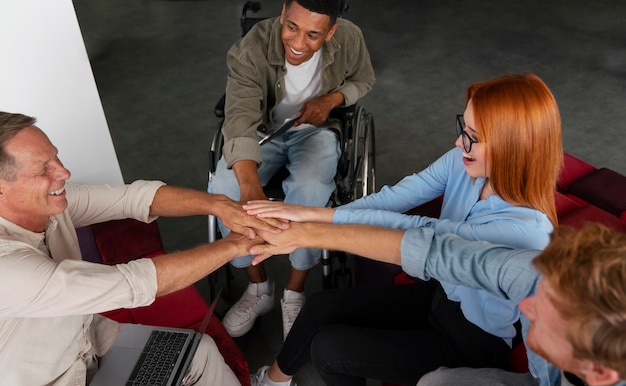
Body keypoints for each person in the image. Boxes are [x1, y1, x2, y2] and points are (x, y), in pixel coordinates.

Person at [243, 73, 563, 385]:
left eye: (473, 136)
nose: (458, 141)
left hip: (473, 341)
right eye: (463, 127)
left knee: (329, 349)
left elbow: (421, 231)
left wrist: (310, 222)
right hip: (437, 296)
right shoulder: (463, 160)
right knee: (319, 307)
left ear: (512, 147)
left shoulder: (528, 230)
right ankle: (274, 382)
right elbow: (394, 199)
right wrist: (313, 215)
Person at [0, 111, 285, 385]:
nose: (64, 172)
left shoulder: (49, 202)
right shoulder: (6, 268)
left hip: (88, 341)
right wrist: (235, 244)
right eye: (43, 169)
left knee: (200, 353)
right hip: (50, 379)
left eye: (56, 157)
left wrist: (221, 205)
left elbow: (133, 198)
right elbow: (133, 283)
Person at [250, 222, 626, 386]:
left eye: (545, 315)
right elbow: (433, 252)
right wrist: (309, 232)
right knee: (436, 382)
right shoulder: (531, 277)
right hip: (535, 378)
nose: (525, 309)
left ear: (599, 372)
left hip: (472, 342)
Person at [207, 0, 375, 340]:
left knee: (312, 189)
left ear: (331, 31)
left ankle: (295, 290)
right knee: (225, 187)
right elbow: (238, 119)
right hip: (260, 131)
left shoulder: (351, 39)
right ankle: (259, 289)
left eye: (314, 35)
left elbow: (364, 80)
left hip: (317, 130)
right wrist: (250, 187)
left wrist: (331, 100)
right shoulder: (251, 47)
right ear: (283, 14)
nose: (299, 43)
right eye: (292, 27)